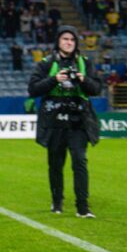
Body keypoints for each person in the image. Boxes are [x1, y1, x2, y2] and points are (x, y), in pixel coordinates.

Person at [28, 25, 103, 218]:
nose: (68, 43)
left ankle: (83, 207)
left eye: (72, 40)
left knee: (80, 161)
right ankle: (57, 201)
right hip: (54, 121)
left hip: (78, 121)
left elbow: (97, 89)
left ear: (76, 43)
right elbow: (33, 89)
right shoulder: (47, 62)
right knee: (55, 164)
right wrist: (54, 79)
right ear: (58, 42)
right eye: (64, 39)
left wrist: (83, 79)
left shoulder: (85, 62)